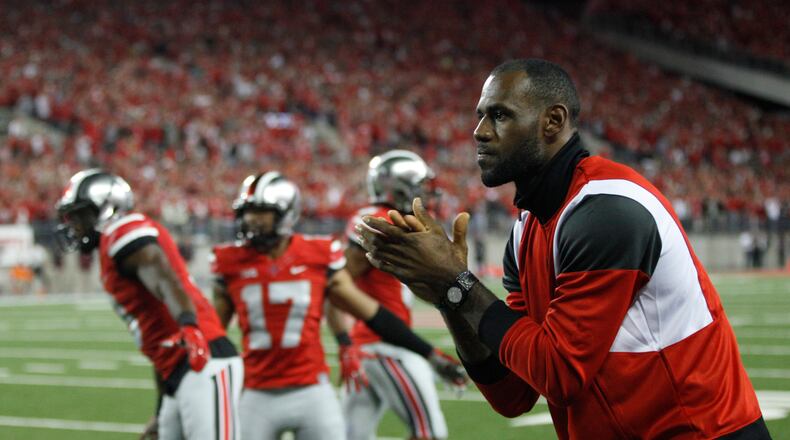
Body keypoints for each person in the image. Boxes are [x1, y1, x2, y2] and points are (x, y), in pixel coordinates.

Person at [356, 59, 770, 439]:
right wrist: (448, 297)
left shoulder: (607, 210)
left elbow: (561, 375)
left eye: (499, 115)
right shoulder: (524, 232)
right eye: (480, 115)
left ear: (552, 121)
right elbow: (513, 394)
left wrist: (456, 281)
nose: (479, 131)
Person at [211, 171, 466, 440]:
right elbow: (213, 335)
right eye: (248, 212)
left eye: (261, 213)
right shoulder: (228, 261)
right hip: (256, 390)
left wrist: (428, 354)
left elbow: (370, 312)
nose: (251, 221)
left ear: (286, 214)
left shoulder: (317, 256)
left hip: (311, 388)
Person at [55, 169, 242, 440]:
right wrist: (161, 408)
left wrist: (189, 326)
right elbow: (161, 344)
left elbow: (163, 276)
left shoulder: (122, 230)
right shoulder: (111, 247)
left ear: (106, 209)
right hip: (178, 372)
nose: (74, 225)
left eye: (79, 215)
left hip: (203, 358)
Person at [337, 150, 467, 440]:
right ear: (396, 188)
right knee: (430, 433)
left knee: (352, 435)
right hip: (386, 346)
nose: (424, 195)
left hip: (368, 346)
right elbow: (342, 279)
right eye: (418, 186)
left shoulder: (388, 220)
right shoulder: (380, 219)